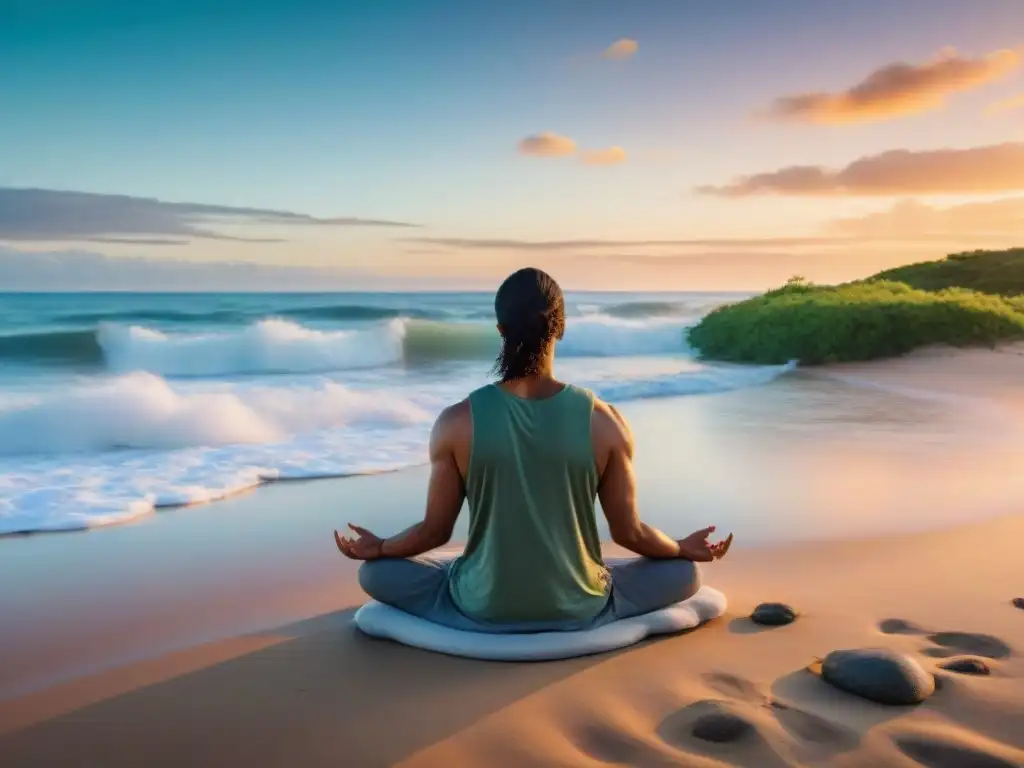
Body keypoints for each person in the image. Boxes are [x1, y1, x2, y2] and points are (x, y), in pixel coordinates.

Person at [334, 267, 732, 633]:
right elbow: (630, 532)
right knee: (683, 574)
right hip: (579, 605)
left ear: (500, 328)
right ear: (560, 327)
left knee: (375, 574)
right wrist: (681, 547)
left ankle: (479, 593)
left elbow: (433, 532)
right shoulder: (604, 421)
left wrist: (382, 547)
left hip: (481, 605)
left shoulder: (457, 421)